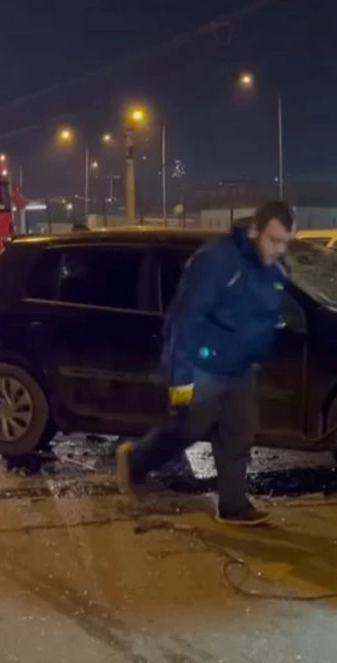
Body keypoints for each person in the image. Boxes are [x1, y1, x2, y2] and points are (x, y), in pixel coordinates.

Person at [114, 201, 295, 526]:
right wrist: (181, 380)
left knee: (239, 434)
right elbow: (185, 320)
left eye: (285, 242)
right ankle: (136, 460)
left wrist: (257, 357)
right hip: (202, 367)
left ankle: (233, 505)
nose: (279, 249)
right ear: (255, 231)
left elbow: (264, 320)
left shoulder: (276, 270)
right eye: (274, 240)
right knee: (188, 428)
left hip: (239, 370)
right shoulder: (217, 261)